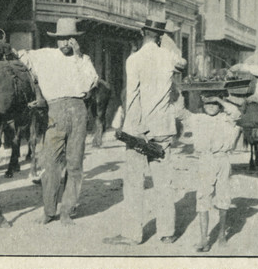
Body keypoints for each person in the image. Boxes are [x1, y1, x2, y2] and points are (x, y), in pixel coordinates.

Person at [103, 14, 183, 246]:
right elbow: (182, 64)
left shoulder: (134, 59)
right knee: (164, 182)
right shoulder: (169, 57)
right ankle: (167, 232)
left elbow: (132, 97)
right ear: (160, 36)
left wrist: (132, 129)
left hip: (138, 129)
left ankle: (132, 234)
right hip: (163, 128)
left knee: (134, 183)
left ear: (142, 33)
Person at [17, 18, 98, 225]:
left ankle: (67, 211)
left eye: (69, 39)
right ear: (56, 39)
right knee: (50, 163)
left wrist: (79, 56)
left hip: (79, 110)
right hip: (55, 111)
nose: (65, 43)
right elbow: (20, 57)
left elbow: (90, 83)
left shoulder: (83, 60)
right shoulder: (44, 55)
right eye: (61, 39)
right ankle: (49, 211)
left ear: (75, 40)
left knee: (75, 163)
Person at [181, 96, 242, 252]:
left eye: (214, 103)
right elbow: (180, 112)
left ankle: (221, 235)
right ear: (202, 103)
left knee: (223, 196)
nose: (211, 106)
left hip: (222, 160)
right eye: (207, 103)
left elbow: (237, 113)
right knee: (203, 196)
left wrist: (220, 100)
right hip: (205, 160)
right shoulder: (197, 118)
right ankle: (203, 239)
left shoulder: (227, 118)